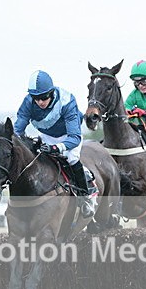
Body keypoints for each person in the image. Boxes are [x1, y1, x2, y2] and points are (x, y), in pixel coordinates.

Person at [14, 70, 95, 218]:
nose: (40, 102)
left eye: (44, 97)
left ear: (51, 92)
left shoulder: (67, 101)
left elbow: (74, 138)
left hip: (69, 136)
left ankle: (85, 199)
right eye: (36, 98)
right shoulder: (28, 102)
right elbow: (17, 130)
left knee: (71, 159)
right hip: (46, 135)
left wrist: (56, 147)